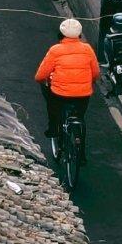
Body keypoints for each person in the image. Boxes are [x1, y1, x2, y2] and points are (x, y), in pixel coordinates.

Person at [35, 19, 100, 163]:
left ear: (61, 35)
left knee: (51, 100)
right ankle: (81, 154)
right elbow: (96, 73)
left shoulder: (55, 50)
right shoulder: (87, 49)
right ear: (80, 35)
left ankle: (53, 128)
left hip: (60, 94)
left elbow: (40, 75)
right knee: (80, 117)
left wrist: (42, 81)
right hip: (83, 94)